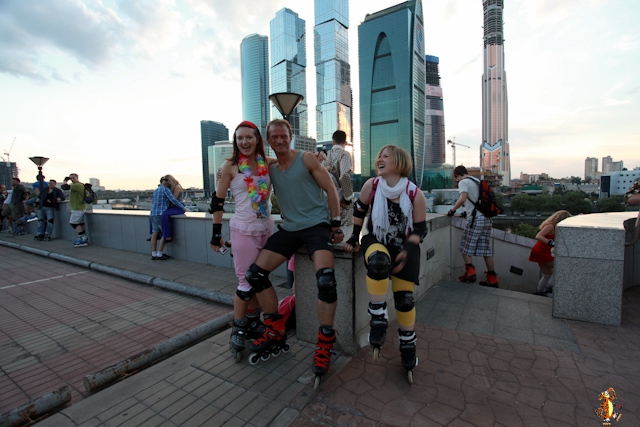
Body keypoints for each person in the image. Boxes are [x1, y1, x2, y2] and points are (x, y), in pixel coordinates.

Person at [245, 118, 343, 380]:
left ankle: (325, 340)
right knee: (255, 275)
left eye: (283, 136)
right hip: (290, 229)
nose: (279, 140)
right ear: (268, 140)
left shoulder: (307, 159)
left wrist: (335, 224)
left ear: (291, 137)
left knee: (326, 281)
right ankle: (275, 328)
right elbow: (244, 164)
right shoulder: (271, 167)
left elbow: (330, 189)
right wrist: (224, 171)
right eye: (274, 137)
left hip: (317, 226)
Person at [343, 145, 427, 378]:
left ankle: (408, 345)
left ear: (399, 162)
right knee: (378, 262)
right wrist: (354, 237)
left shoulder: (415, 193)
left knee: (405, 300)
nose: (379, 159)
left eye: (385, 156)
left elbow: (420, 229)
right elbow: (359, 212)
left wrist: (406, 252)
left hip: (405, 247)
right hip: (377, 240)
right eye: (379, 156)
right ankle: (378, 318)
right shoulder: (372, 185)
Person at [209, 120, 274, 361]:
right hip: (243, 231)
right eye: (240, 138)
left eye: (249, 137)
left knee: (258, 279)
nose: (244, 142)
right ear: (235, 142)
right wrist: (216, 235)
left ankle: (254, 322)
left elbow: (291, 161)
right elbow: (217, 202)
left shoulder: (267, 163)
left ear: (257, 139)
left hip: (266, 229)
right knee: (245, 283)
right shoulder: (230, 166)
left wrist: (319, 157)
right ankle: (238, 327)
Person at [447, 166, 498, 287]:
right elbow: (476, 201)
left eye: (455, 178)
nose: (456, 180)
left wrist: (452, 211)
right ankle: (492, 279)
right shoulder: (477, 181)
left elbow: (462, 199)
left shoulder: (463, 182)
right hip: (486, 218)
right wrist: (465, 213)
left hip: (475, 220)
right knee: (486, 250)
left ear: (457, 175)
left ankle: (470, 274)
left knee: (465, 247)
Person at [529, 210, 572, 296]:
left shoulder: (553, 226)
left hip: (539, 251)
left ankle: (539, 292)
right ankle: (548, 288)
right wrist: (551, 243)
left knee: (547, 275)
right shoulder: (550, 226)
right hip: (541, 252)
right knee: (560, 268)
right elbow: (538, 236)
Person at [322, 130, 354, 226]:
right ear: (345, 142)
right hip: (341, 201)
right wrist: (348, 198)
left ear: (333, 141)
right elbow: (344, 175)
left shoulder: (325, 155)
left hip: (326, 199)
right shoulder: (345, 154)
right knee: (342, 229)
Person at [150, 177, 186, 260]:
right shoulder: (166, 190)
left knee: (154, 233)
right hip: (161, 213)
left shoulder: (156, 190)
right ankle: (159, 254)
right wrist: (183, 207)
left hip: (153, 213)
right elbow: (173, 200)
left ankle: (153, 254)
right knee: (164, 232)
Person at [63, 173, 89, 247]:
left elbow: (65, 187)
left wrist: (65, 181)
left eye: (73, 178)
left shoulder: (77, 185)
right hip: (80, 207)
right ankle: (84, 237)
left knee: (73, 223)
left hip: (77, 208)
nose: (72, 180)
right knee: (80, 223)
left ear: (77, 178)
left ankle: (82, 238)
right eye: (70, 178)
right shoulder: (79, 185)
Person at [160, 174, 184, 243]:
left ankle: (167, 236)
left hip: (178, 206)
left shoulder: (177, 187)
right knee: (156, 214)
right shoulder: (170, 187)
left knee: (165, 215)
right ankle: (157, 233)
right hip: (172, 207)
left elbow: (174, 199)